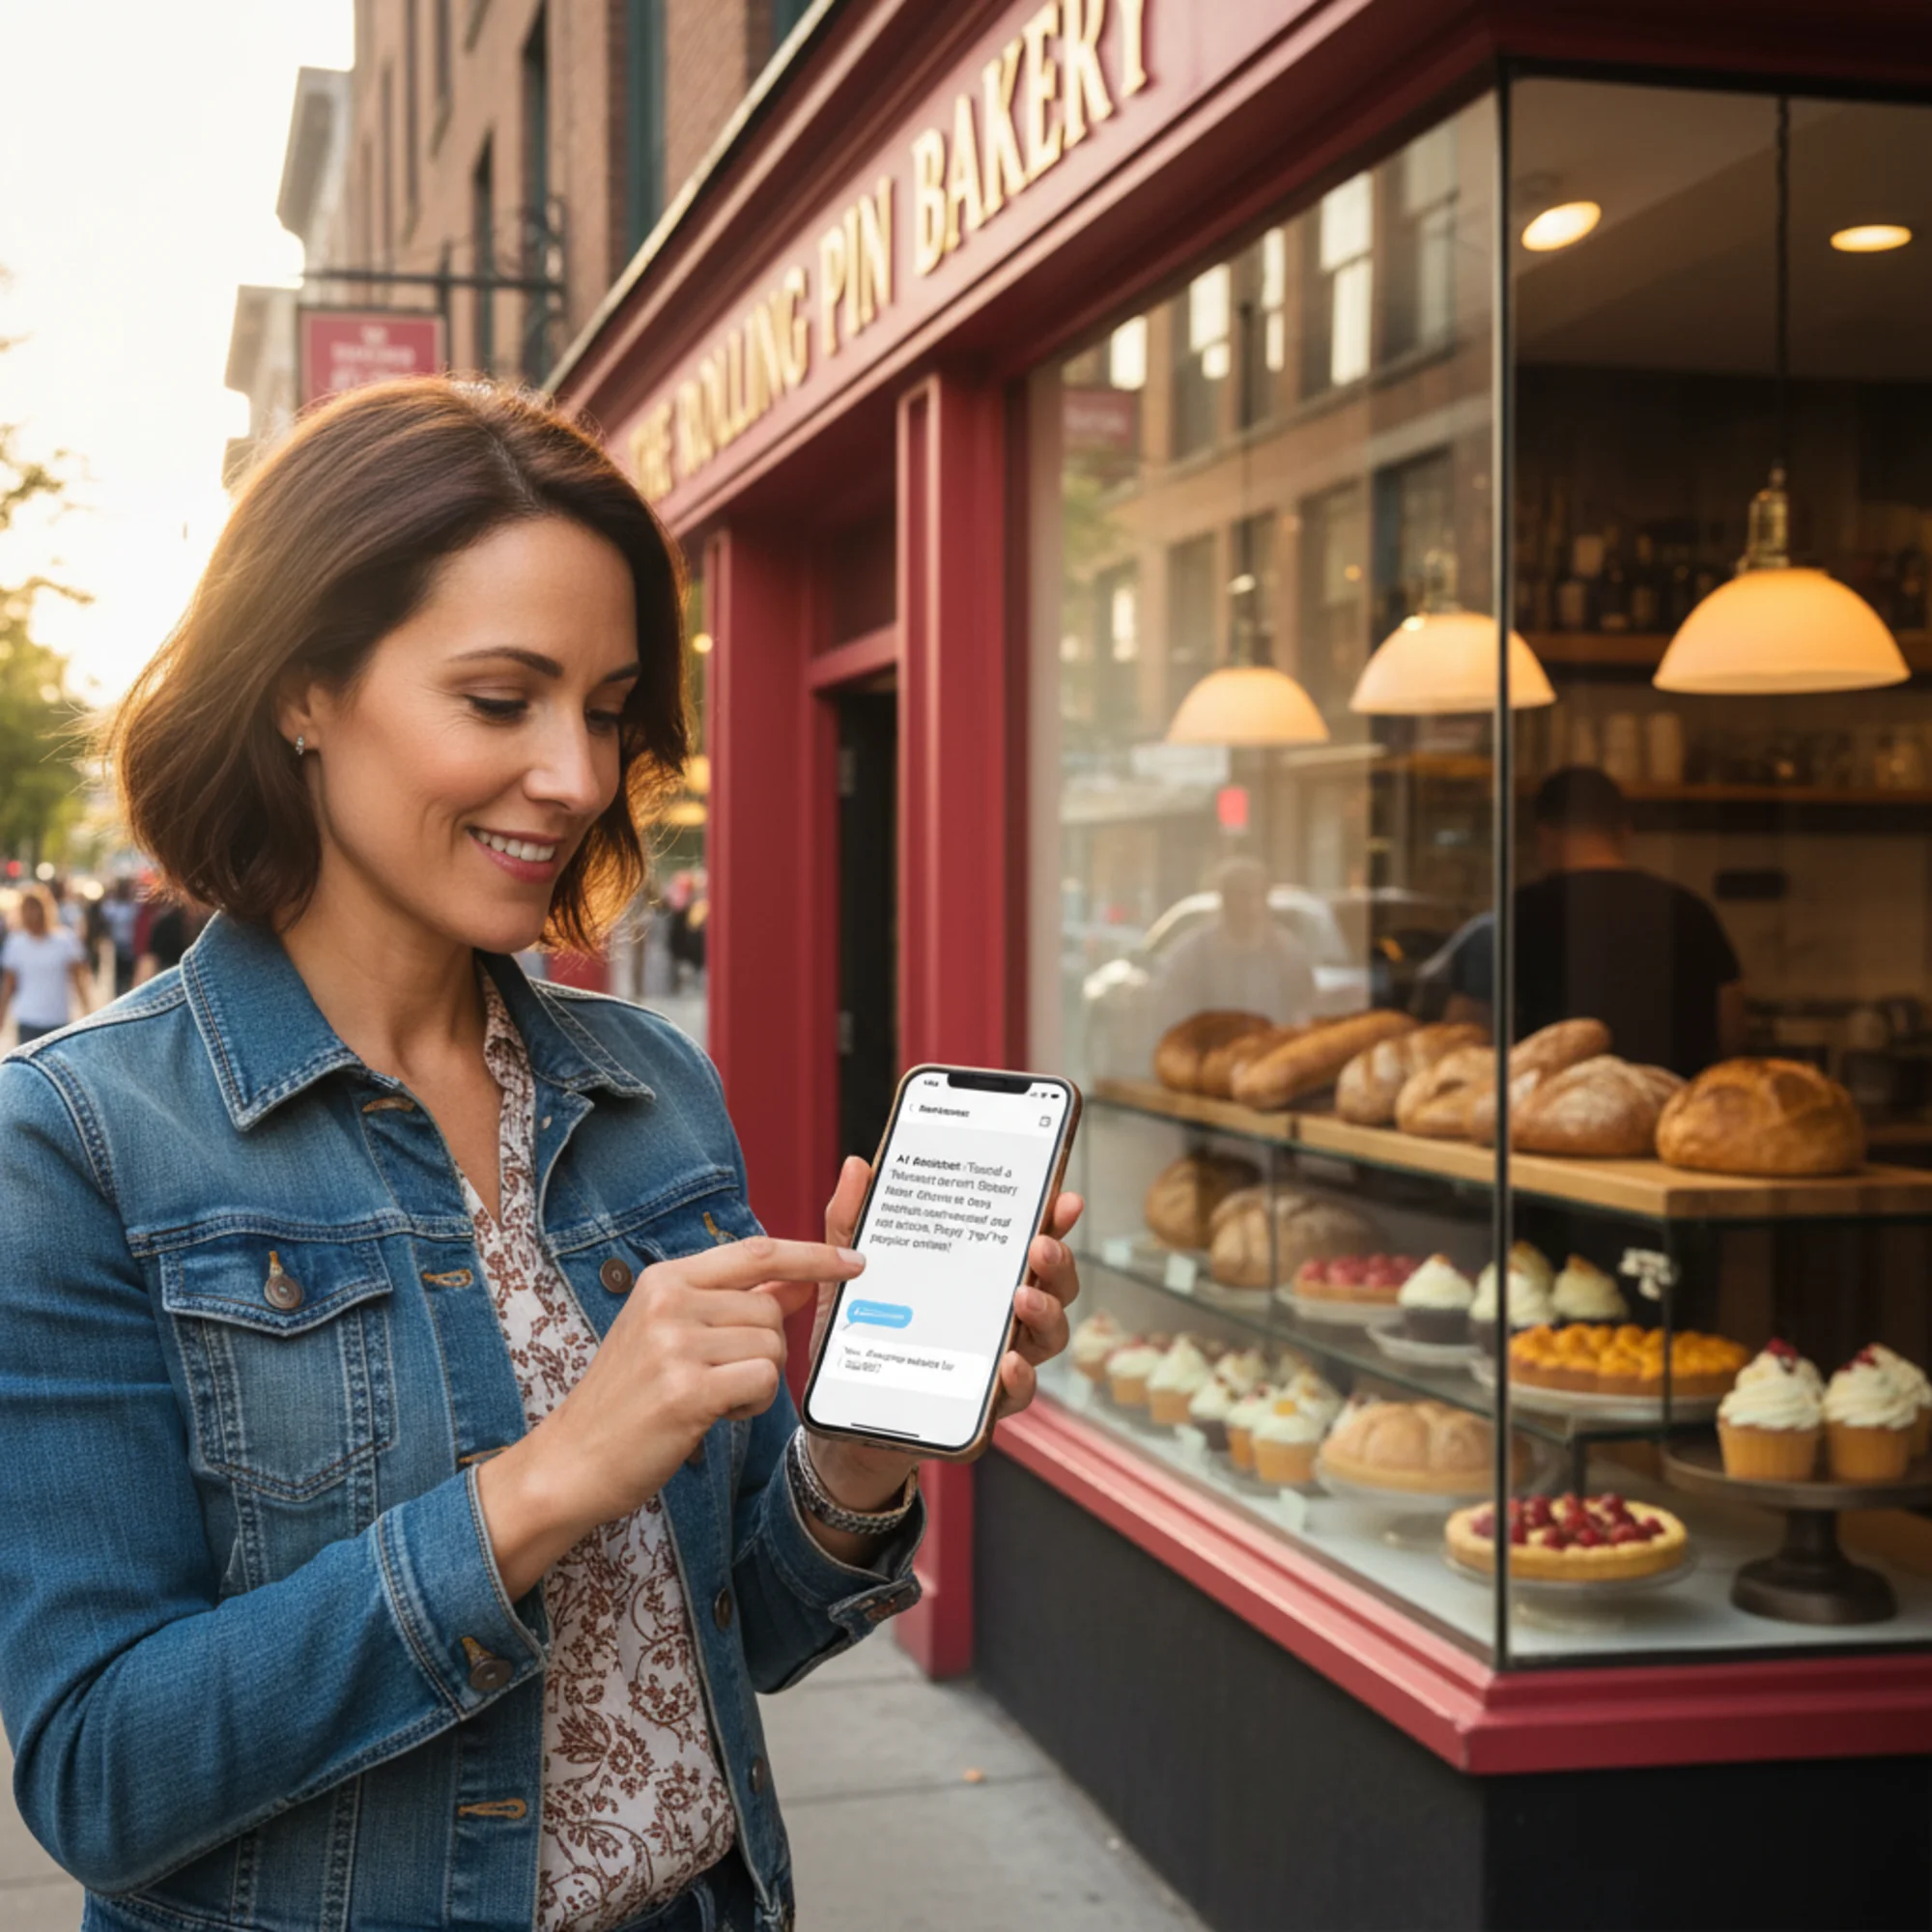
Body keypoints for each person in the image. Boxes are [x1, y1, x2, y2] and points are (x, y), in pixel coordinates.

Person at [0, 379, 1085, 1932]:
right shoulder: (79, 1145)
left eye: (608, 708)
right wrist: (547, 1481)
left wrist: (856, 1453)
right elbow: (106, 1777)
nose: (578, 777)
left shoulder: (648, 1090)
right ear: (302, 689)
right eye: (503, 702)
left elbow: (727, 1643)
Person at [1431, 766, 1745, 1076]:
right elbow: (1731, 1032)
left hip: (1548, 1116)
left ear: (1546, 837)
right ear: (1625, 831)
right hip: (1671, 1117)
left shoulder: (1513, 915)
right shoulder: (1691, 910)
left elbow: (1464, 1040)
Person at [1151, 854, 1320, 1036]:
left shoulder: (1288, 953)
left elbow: (1304, 1011)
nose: (1253, 906)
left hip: (1269, 1056)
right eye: (1243, 896)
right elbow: (1173, 1017)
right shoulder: (1192, 955)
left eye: (1260, 895)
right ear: (1224, 899)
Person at [0, 887, 91, 1043]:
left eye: (36, 908)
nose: (33, 914)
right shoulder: (15, 942)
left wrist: (88, 1013)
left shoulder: (65, 940)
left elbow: (79, 982)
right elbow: (8, 985)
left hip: (58, 1019)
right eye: (27, 909)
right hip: (27, 1019)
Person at [101, 876, 140, 996]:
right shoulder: (113, 906)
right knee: (118, 975)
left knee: (129, 973)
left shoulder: (134, 906)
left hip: (131, 944)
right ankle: (119, 994)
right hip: (118, 944)